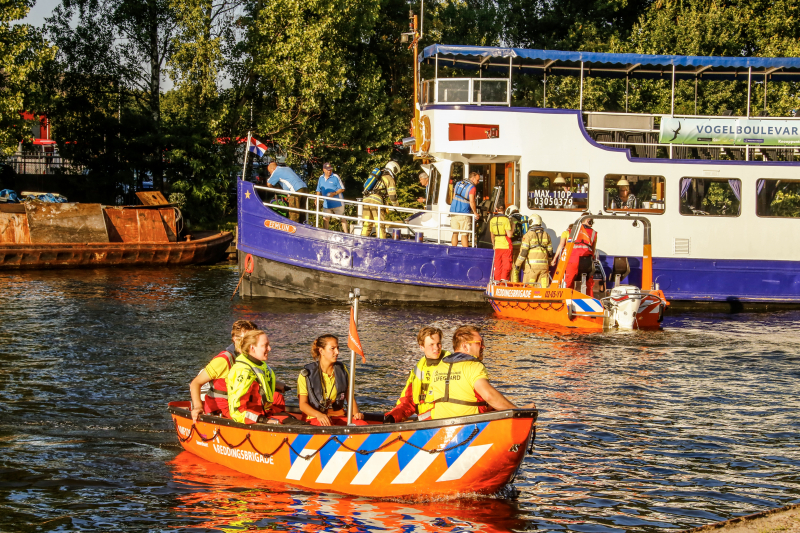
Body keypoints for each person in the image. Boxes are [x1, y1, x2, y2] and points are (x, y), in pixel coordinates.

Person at [424, 326, 535, 420]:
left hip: (441, 428)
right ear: (465, 346)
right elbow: (489, 396)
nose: (483, 347)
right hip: (470, 428)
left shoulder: (439, 368)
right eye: (480, 343)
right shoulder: (473, 366)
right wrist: (518, 412)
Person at [189, 320, 261, 422]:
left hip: (240, 406)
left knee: (276, 398)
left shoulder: (250, 359)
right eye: (244, 339)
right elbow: (195, 383)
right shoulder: (223, 360)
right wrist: (198, 407)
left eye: (251, 340)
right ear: (234, 338)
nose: (248, 343)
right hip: (220, 409)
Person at [384, 326, 452, 423]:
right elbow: (408, 401)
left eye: (438, 343)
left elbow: (450, 405)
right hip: (424, 423)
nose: (436, 348)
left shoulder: (452, 366)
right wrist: (393, 416)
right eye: (431, 344)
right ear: (421, 347)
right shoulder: (417, 371)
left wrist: (419, 420)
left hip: (443, 421)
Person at [298, 335, 367, 426]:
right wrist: (319, 415)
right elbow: (303, 405)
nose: (337, 352)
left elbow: (350, 397)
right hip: (315, 418)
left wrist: (356, 414)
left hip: (339, 416)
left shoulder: (343, 370)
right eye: (332, 348)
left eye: (338, 348)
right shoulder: (306, 374)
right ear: (321, 351)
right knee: (328, 426)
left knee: (362, 424)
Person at [226, 330, 286, 424]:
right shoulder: (243, 372)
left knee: (294, 420)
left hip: (264, 411)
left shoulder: (260, 365)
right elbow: (238, 411)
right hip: (255, 418)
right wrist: (264, 420)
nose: (269, 348)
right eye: (265, 345)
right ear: (252, 348)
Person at [361, 162, 400, 239]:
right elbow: (392, 196)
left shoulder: (379, 175)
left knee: (367, 223)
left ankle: (362, 240)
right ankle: (381, 242)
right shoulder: (389, 178)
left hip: (366, 199)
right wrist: (396, 206)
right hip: (376, 201)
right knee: (379, 224)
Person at [512, 214, 552, 286]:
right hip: (544, 268)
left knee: (529, 288)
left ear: (531, 222)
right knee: (542, 289)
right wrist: (549, 262)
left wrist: (517, 264)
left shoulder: (528, 235)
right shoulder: (546, 235)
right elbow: (550, 252)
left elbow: (523, 252)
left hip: (531, 268)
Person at [563, 215, 597, 295]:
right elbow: (593, 249)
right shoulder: (593, 233)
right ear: (587, 221)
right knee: (588, 283)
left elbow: (566, 246)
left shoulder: (571, 231)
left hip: (572, 259)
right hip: (587, 261)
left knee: (569, 282)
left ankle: (568, 299)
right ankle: (589, 299)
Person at [316, 162, 349, 233]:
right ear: (324, 170)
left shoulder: (335, 177)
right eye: (328, 170)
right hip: (326, 204)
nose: (329, 171)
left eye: (330, 169)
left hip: (338, 203)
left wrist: (334, 193)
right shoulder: (321, 178)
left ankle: (347, 234)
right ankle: (326, 234)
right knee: (325, 219)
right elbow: (318, 189)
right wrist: (316, 198)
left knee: (342, 219)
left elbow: (342, 189)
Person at [450, 171, 480, 247]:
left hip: (453, 212)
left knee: (455, 233)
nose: (478, 182)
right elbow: (472, 201)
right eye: (477, 180)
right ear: (472, 178)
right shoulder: (472, 188)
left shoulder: (458, 183)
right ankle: (465, 251)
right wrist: (475, 213)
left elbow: (454, 197)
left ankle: (453, 249)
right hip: (464, 213)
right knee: (464, 234)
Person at [489, 203, 514, 281]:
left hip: (497, 245)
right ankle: (504, 281)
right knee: (506, 265)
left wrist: (493, 245)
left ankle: (497, 281)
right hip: (506, 245)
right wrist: (513, 226)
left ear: (496, 209)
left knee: (498, 265)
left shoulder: (492, 220)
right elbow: (509, 235)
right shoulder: (506, 219)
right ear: (504, 209)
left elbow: (492, 236)